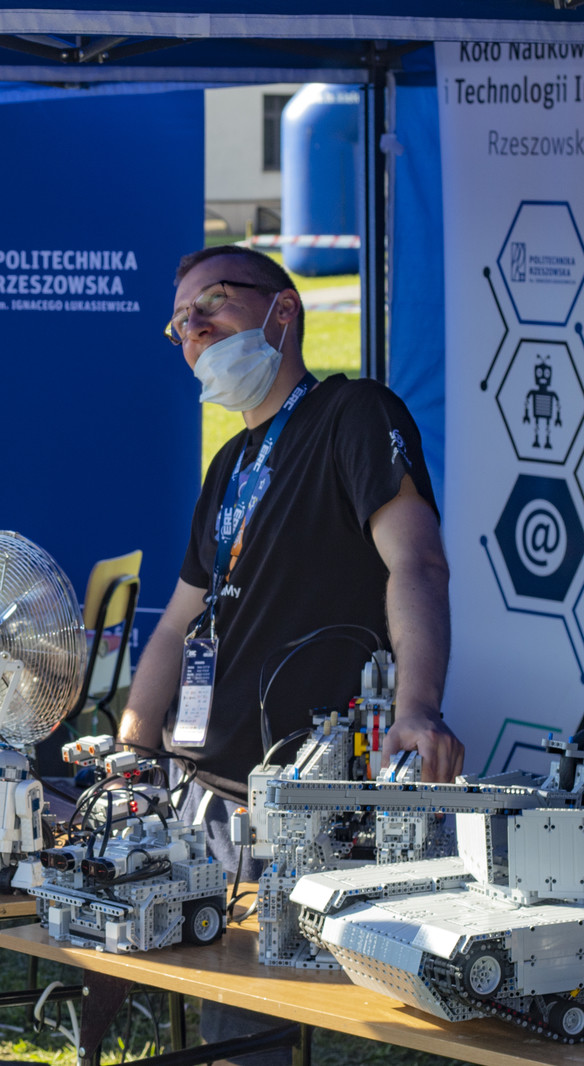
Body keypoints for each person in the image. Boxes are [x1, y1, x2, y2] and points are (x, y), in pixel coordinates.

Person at [116, 245, 463, 1064]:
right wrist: (130, 750)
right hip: (200, 793)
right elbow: (179, 625)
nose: (195, 329)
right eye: (180, 322)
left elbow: (418, 563)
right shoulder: (228, 464)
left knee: (254, 1031)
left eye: (214, 302)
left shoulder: (355, 414)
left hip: (298, 803)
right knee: (207, 1013)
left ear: (283, 309)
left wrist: (417, 706)